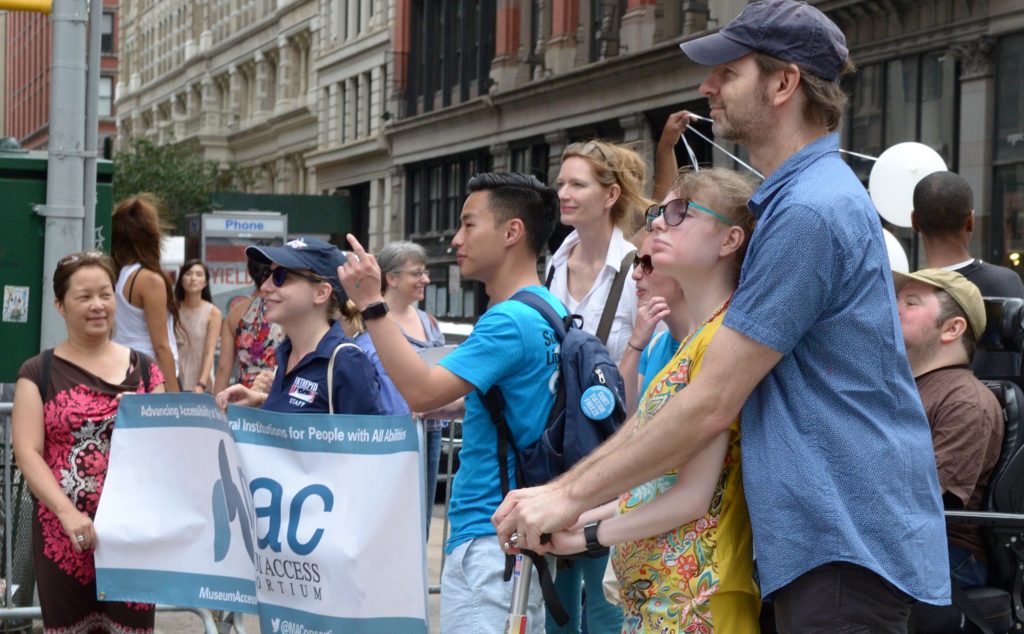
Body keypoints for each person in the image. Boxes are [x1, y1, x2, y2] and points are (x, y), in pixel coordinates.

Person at [494, 1, 951, 631]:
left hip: (843, 543)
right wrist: (575, 493)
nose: (707, 86)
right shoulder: (800, 199)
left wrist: (570, 496)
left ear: (784, 82)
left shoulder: (810, 211)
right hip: (827, 544)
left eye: (728, 72)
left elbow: (710, 401)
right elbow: (683, 406)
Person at [337, 173, 562, 633]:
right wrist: (456, 407)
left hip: (488, 541)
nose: (456, 239)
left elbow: (419, 389)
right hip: (514, 538)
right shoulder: (547, 309)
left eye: (468, 224)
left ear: (512, 232)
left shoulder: (507, 321)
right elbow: (510, 401)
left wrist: (371, 303)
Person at [550, 168, 759, 631]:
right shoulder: (696, 340)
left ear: (730, 240)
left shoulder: (723, 340)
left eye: (681, 211)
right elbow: (654, 483)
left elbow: (693, 497)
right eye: (660, 211)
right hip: (663, 599)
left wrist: (585, 533)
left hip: (699, 603)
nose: (660, 222)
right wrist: (574, 513)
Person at [12, 251, 165, 633]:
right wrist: (67, 513)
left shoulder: (145, 370)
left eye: (105, 294)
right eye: (84, 297)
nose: (98, 306)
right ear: (60, 305)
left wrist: (145, 414)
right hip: (62, 537)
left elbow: (168, 448)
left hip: (132, 535)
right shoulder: (38, 371)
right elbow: (27, 452)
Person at [547, 140, 652, 632]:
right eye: (562, 182)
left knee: (606, 585)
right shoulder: (553, 264)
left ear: (611, 195)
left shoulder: (636, 269)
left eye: (577, 184)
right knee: (555, 590)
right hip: (557, 445)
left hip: (615, 447)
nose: (563, 193)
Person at [895, 268, 1003, 588]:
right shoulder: (897, 389)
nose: (892, 308)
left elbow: (928, 500)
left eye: (910, 303)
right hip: (899, 545)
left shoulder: (965, 400)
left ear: (952, 328)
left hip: (945, 558)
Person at [215, 237, 384, 416]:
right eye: (268, 275)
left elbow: (366, 440)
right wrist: (261, 402)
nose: (265, 286)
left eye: (280, 277)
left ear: (321, 293)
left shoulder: (347, 361)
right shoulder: (286, 354)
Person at [377, 240, 457, 536]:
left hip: (430, 428)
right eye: (416, 273)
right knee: (391, 517)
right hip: (390, 431)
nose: (425, 279)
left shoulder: (428, 321)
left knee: (420, 521)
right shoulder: (373, 322)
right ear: (392, 278)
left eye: (424, 272)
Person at [912, 171, 1024, 377]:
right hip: (1004, 406)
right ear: (971, 221)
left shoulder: (906, 295)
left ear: (914, 221)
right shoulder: (1006, 283)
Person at [110, 195, 181, 391]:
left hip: (123, 372)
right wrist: (175, 398)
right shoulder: (149, 280)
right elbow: (160, 345)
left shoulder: (116, 274)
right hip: (152, 377)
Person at [618, 235, 690, 413]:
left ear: (683, 274)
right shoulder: (653, 346)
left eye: (648, 263)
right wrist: (635, 344)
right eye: (636, 262)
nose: (635, 274)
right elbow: (623, 420)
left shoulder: (710, 343)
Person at [213, 258, 284, 393]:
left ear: (250, 272)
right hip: (276, 392)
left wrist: (217, 409)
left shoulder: (235, 313)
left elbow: (223, 368)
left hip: (243, 395)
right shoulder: (285, 310)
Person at [174, 259, 223, 392]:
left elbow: (209, 351)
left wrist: (201, 384)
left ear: (206, 282)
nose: (193, 278)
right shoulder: (172, 310)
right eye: (188, 273)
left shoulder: (213, 313)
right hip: (174, 380)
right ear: (181, 278)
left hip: (200, 386)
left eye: (199, 274)